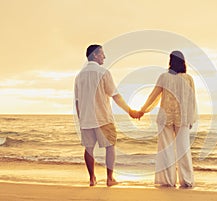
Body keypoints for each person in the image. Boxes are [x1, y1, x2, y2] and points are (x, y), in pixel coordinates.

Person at [74, 44, 141, 187]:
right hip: (103, 117)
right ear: (95, 55)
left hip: (86, 119)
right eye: (102, 54)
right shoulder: (103, 72)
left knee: (88, 148)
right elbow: (115, 96)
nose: (104, 57)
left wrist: (81, 119)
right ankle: (110, 179)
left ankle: (92, 179)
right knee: (110, 146)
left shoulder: (79, 76)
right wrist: (130, 111)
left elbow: (77, 102)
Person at [139, 51, 197, 187]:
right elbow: (192, 101)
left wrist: (143, 110)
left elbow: (153, 96)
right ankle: (187, 181)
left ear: (171, 61)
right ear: (183, 62)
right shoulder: (188, 78)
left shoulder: (164, 77)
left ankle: (167, 181)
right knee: (183, 149)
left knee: (165, 149)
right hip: (182, 118)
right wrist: (190, 119)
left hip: (165, 118)